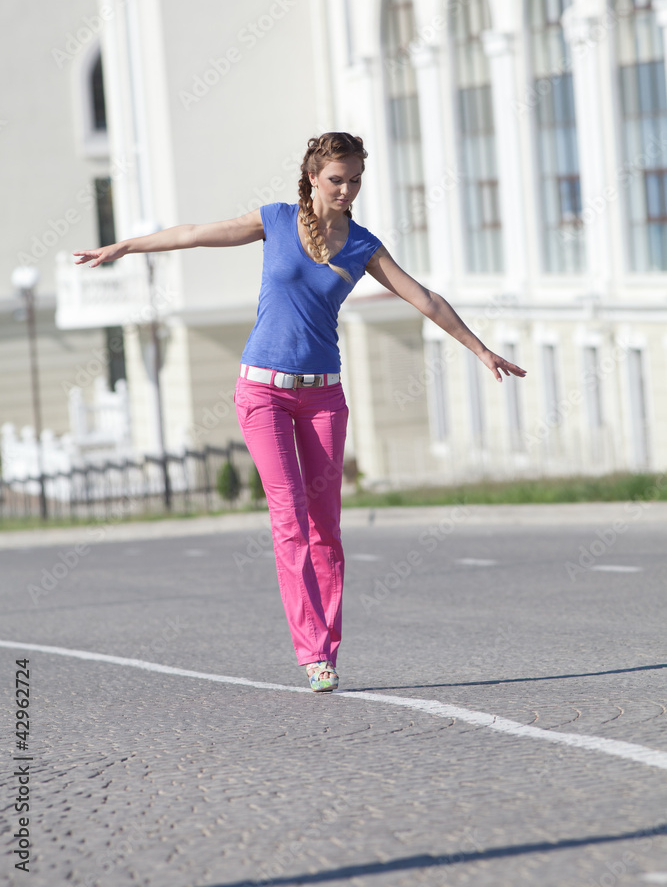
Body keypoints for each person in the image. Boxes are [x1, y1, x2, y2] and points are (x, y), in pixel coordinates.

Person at [73, 131, 527, 693]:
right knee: (288, 518)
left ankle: (328, 647)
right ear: (313, 176)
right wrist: (124, 247)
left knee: (326, 529)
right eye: (337, 178)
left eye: (356, 179)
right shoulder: (276, 220)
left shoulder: (362, 245)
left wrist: (481, 349)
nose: (347, 188)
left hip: (323, 397)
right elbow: (194, 233)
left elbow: (426, 299)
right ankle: (313, 654)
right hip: (262, 392)